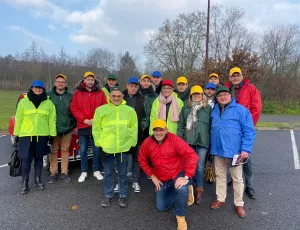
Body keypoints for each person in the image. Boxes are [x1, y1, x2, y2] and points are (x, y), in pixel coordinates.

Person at [139, 119, 198, 230]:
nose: (158, 133)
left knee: (181, 188)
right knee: (161, 207)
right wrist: (152, 176)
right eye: (156, 130)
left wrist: (186, 177)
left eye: (161, 130)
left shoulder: (175, 140)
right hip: (161, 177)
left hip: (177, 173)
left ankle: (180, 216)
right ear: (152, 131)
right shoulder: (147, 142)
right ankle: (183, 195)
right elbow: (141, 160)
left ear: (166, 130)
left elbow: (192, 156)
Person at [210, 86, 256, 218]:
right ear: (217, 98)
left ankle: (239, 203)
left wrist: (245, 149)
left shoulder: (241, 111)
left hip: (235, 152)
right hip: (218, 150)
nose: (222, 97)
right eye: (220, 96)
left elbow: (249, 131)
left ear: (230, 96)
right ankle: (220, 198)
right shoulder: (214, 111)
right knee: (220, 175)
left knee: (237, 178)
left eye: (225, 94)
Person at [93, 86, 138, 208]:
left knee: (123, 173)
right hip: (107, 148)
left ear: (122, 97)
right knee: (108, 173)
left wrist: (132, 142)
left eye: (119, 96)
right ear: (109, 97)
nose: (116, 98)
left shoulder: (129, 110)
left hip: (123, 148)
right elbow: (96, 129)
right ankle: (108, 195)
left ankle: (123, 195)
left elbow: (134, 128)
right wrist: (98, 142)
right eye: (114, 96)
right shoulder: (101, 110)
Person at [225, 67, 262, 199]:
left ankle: (250, 185)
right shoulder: (226, 89)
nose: (235, 77)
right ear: (229, 78)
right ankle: (234, 178)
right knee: (231, 155)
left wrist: (248, 126)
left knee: (246, 157)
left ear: (242, 76)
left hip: (244, 128)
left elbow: (256, 109)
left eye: (238, 75)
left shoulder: (251, 89)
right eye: (233, 76)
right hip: (230, 129)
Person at [14, 80, 56, 195]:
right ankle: (24, 182)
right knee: (26, 160)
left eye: (40, 88)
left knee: (38, 159)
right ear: (32, 88)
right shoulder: (23, 102)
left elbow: (52, 120)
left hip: (42, 135)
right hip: (26, 135)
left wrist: (52, 135)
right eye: (36, 87)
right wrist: (16, 134)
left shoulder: (49, 103)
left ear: (43, 90)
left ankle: (38, 180)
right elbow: (18, 120)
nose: (38, 89)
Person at [177, 85, 212, 204]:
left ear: (202, 95)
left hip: (203, 141)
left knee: (200, 166)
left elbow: (211, 127)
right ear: (191, 96)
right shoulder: (186, 108)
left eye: (199, 94)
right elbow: (181, 125)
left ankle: (199, 189)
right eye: (194, 94)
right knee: (189, 165)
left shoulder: (208, 109)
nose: (197, 96)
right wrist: (180, 140)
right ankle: (190, 188)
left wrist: (211, 141)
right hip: (189, 141)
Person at [70, 71, 107, 182]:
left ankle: (96, 170)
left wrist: (95, 120)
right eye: (88, 79)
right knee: (84, 149)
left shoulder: (100, 93)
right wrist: (84, 120)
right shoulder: (78, 93)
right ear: (84, 80)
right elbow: (74, 108)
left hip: (96, 125)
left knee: (96, 149)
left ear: (94, 81)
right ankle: (84, 171)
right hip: (83, 125)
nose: (90, 81)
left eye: (92, 80)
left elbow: (104, 108)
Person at [114, 77, 145, 193]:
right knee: (122, 160)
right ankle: (120, 182)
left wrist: (142, 126)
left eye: (135, 86)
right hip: (122, 135)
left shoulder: (142, 99)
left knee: (136, 159)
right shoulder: (120, 97)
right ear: (127, 86)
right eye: (131, 86)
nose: (133, 88)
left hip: (137, 134)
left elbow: (146, 116)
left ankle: (135, 181)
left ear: (138, 87)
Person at [48, 74, 76, 183]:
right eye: (58, 81)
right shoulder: (48, 95)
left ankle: (64, 172)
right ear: (55, 83)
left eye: (62, 82)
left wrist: (72, 124)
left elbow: (74, 110)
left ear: (66, 84)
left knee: (65, 150)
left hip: (67, 128)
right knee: (53, 151)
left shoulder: (70, 96)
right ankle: (53, 172)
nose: (60, 83)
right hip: (53, 129)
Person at [139, 74, 158, 140]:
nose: (146, 83)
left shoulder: (154, 95)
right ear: (140, 82)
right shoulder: (137, 93)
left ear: (150, 83)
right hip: (139, 122)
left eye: (147, 81)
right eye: (144, 81)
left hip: (150, 123)